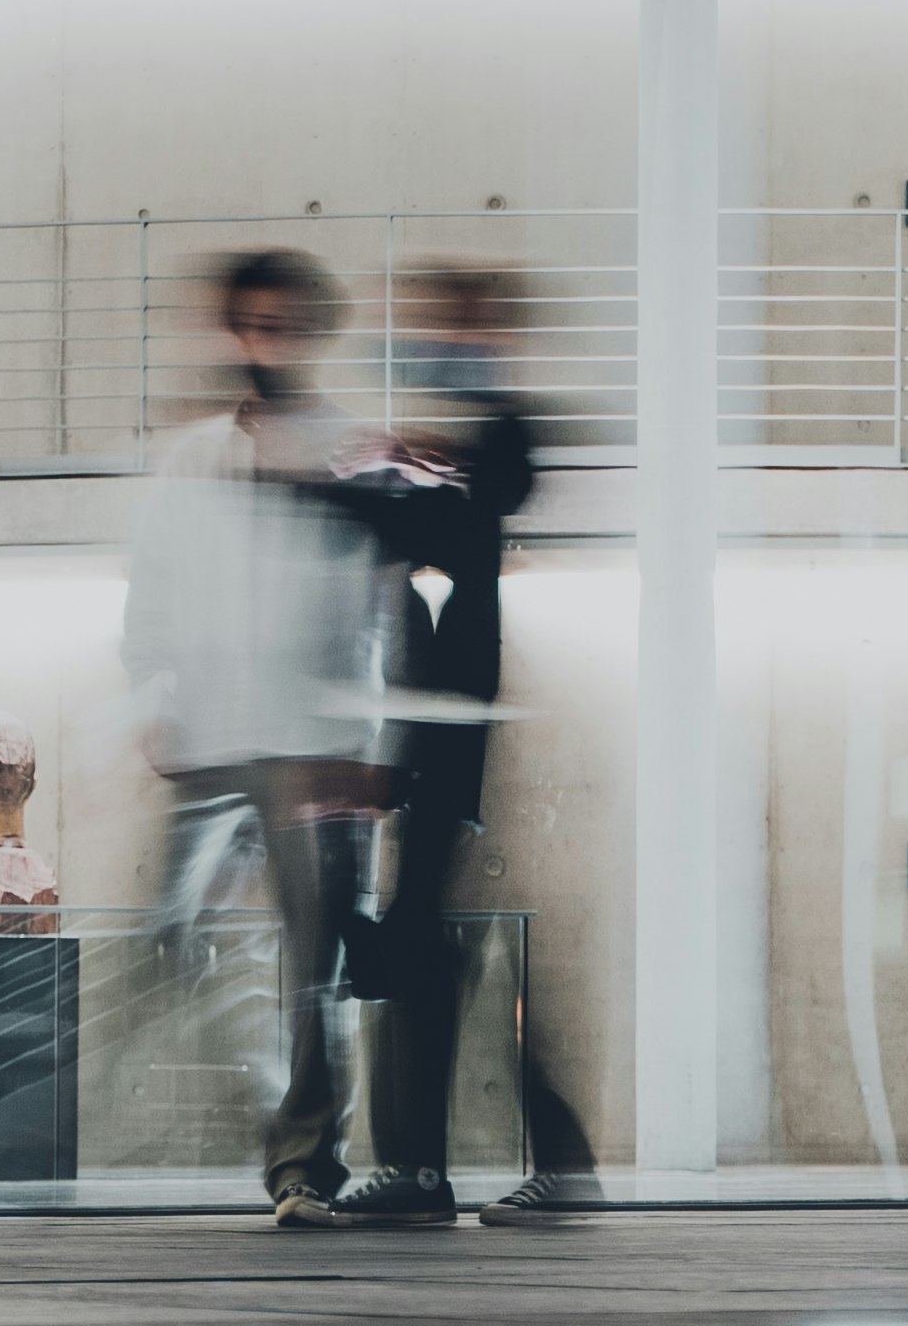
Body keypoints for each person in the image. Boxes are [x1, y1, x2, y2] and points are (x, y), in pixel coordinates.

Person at [319, 260, 601, 1228]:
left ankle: (486, 1167)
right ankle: (449, 1167)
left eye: (461, 324)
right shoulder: (451, 473)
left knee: (448, 959)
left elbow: (489, 488)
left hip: (459, 763)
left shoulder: (487, 457)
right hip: (432, 761)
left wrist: (397, 460)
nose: (440, 342)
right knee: (434, 956)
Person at [121, 247, 397, 1223]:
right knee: (166, 932)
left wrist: (365, 746)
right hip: (210, 731)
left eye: (289, 321)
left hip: (309, 742)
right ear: (238, 329)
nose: (271, 336)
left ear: (310, 332)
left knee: (312, 963)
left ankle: (302, 1165)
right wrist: (157, 697)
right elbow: (152, 587)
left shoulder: (347, 448)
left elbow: (372, 610)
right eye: (257, 320)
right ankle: (218, 1124)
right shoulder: (194, 456)